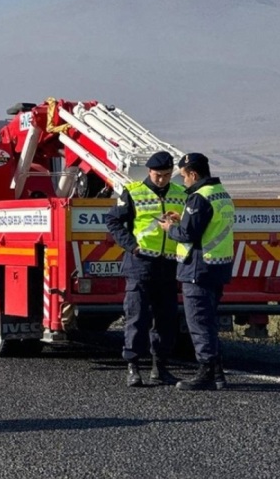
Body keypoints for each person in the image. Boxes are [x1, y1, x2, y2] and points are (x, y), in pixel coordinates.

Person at [105, 151, 186, 387]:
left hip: (169, 264)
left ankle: (159, 368)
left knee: (166, 319)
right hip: (140, 264)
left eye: (167, 175)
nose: (162, 179)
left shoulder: (181, 194)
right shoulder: (133, 191)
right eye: (158, 175)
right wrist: (132, 246)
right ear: (149, 171)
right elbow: (113, 221)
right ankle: (133, 366)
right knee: (137, 317)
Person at [160, 153, 235, 391]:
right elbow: (207, 227)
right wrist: (183, 219)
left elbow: (188, 235)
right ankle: (218, 373)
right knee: (209, 321)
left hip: (198, 268)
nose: (183, 182)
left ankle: (206, 373)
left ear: (193, 174)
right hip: (218, 267)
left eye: (183, 177)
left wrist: (170, 228)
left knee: (199, 322)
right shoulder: (221, 194)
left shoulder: (198, 199)